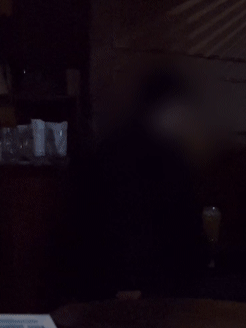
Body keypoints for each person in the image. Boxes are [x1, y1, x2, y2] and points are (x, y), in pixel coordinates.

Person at [86, 67, 211, 299]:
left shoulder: (109, 147)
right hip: (156, 285)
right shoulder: (171, 157)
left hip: (103, 282)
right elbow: (187, 230)